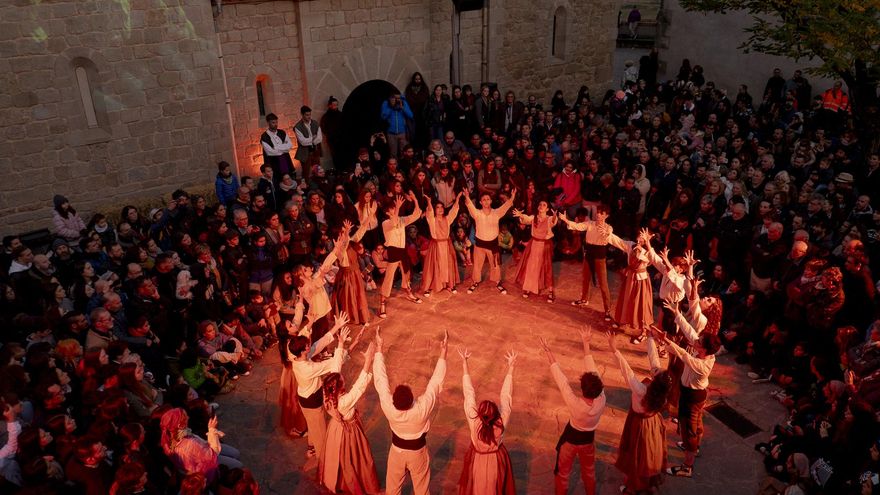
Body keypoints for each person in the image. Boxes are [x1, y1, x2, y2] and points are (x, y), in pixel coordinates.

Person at [653, 295, 722, 479]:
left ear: (703, 349)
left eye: (699, 343)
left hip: (692, 397)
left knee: (689, 429)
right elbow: (690, 332)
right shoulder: (704, 352)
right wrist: (677, 313)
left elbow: (683, 354)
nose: (696, 340)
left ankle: (687, 466)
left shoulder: (702, 365)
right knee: (696, 424)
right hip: (695, 395)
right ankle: (694, 447)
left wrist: (665, 340)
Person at [372, 328, 447, 495]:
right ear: (412, 398)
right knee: (421, 488)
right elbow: (435, 383)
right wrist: (443, 352)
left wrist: (379, 348)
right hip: (417, 453)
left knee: (392, 489)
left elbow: (380, 379)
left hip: (397, 452)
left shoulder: (389, 407)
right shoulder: (421, 408)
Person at [540, 327, 606, 495]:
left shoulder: (575, 404)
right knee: (589, 472)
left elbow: (560, 379)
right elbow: (593, 370)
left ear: (582, 388)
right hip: (588, 441)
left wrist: (548, 352)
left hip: (570, 441)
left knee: (563, 474)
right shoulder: (602, 399)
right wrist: (586, 343)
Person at [607, 331, 672, 494]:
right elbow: (654, 359)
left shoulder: (641, 390)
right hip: (653, 425)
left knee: (637, 457)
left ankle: (634, 487)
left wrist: (614, 349)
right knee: (650, 455)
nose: (654, 369)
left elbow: (626, 371)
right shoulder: (661, 393)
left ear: (655, 380)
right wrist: (650, 338)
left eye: (655, 372)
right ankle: (646, 482)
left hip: (639, 425)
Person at [290, 317, 352, 468]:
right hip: (311, 401)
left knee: (313, 426)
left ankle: (312, 448)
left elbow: (320, 344)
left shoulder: (296, 357)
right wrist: (342, 345)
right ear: (303, 350)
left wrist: (336, 326)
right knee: (320, 433)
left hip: (306, 398)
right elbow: (331, 364)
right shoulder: (307, 369)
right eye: (307, 346)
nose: (309, 346)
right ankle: (323, 462)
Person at [321, 341, 381, 494]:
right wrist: (368, 360)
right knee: (356, 458)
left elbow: (335, 369)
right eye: (342, 380)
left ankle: (337, 480)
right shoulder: (343, 402)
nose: (344, 377)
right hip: (349, 431)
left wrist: (340, 344)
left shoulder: (328, 393)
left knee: (336, 456)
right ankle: (357, 484)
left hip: (335, 429)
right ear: (340, 386)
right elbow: (359, 387)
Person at [457, 347, 517, 494]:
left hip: (477, 460)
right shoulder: (501, 422)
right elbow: (506, 397)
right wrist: (511, 369)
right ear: (495, 414)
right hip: (496, 463)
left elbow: (469, 394)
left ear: (480, 414)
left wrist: (464, 365)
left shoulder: (474, 422)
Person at [558, 205, 621, 321]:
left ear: (606, 216)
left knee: (603, 284)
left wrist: (605, 233)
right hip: (589, 255)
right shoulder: (589, 224)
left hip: (600, 257)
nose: (598, 214)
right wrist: (565, 219)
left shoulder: (608, 228)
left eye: (602, 213)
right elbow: (577, 226)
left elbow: (608, 236)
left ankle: (607, 310)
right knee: (585, 278)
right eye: (598, 212)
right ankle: (584, 298)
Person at [464, 189, 517, 295]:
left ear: (491, 201)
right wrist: (467, 196)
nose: (486, 201)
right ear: (480, 202)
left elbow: (506, 206)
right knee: (477, 265)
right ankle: (475, 281)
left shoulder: (496, 213)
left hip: (493, 244)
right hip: (480, 244)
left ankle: (497, 282)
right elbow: (470, 206)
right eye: (484, 199)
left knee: (495, 265)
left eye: (488, 199)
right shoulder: (477, 214)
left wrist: (512, 197)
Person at [379, 191, 423, 318]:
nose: (394, 210)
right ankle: (382, 302)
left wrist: (415, 199)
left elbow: (416, 214)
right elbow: (393, 223)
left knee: (406, 274)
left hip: (402, 251)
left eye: (395, 208)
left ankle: (408, 292)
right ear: (387, 212)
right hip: (393, 252)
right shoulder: (385, 223)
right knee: (389, 278)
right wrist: (398, 207)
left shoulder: (402, 220)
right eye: (392, 209)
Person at [615, 228, 656, 344]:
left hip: (641, 280)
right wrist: (608, 234)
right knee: (627, 299)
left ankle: (644, 332)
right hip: (631, 277)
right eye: (640, 235)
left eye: (644, 236)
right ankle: (624, 322)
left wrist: (641, 250)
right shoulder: (631, 245)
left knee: (642, 305)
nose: (641, 237)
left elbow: (650, 260)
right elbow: (617, 241)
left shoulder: (650, 251)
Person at [512, 201, 558, 301]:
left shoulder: (549, 218)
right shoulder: (534, 218)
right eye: (540, 204)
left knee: (546, 267)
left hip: (545, 245)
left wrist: (554, 216)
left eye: (544, 205)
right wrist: (521, 215)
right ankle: (528, 287)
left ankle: (550, 290)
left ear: (547, 209)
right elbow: (525, 219)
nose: (541, 206)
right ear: (538, 207)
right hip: (533, 244)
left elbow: (553, 222)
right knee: (531, 266)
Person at [421, 192, 462, 297]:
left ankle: (449, 285)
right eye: (437, 207)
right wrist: (429, 202)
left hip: (447, 245)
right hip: (436, 245)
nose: (440, 209)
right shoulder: (432, 220)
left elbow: (454, 211)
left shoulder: (447, 219)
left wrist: (457, 199)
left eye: (442, 207)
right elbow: (429, 212)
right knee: (435, 266)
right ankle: (431, 286)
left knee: (448, 264)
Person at [331, 219, 372, 325]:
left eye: (346, 232)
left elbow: (360, 233)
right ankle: (348, 322)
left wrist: (368, 218)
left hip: (356, 273)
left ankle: (362, 318)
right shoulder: (339, 248)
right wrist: (346, 233)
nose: (346, 234)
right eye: (343, 232)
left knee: (359, 295)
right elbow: (344, 247)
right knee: (348, 299)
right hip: (347, 276)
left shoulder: (351, 243)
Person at [260, 113, 294, 179]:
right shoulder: (264, 136)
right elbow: (270, 152)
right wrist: (284, 148)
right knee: (277, 179)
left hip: (285, 159)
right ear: (268, 123)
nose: (275, 124)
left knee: (287, 178)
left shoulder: (282, 132)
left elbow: (289, 146)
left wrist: (276, 147)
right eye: (273, 122)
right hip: (273, 162)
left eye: (276, 122)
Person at [294, 105, 323, 182]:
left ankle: (319, 184)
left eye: (310, 114)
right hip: (304, 152)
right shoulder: (298, 127)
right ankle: (307, 187)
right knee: (306, 172)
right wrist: (313, 138)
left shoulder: (315, 123)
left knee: (317, 169)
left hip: (315, 150)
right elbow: (302, 142)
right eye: (307, 115)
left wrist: (310, 140)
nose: (309, 117)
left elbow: (319, 138)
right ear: (302, 114)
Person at [381, 91, 414, 158]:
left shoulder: (403, 102)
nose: (395, 100)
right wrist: (391, 107)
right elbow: (383, 117)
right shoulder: (386, 103)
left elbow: (411, 115)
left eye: (397, 97)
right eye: (394, 98)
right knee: (393, 153)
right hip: (391, 133)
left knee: (404, 152)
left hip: (402, 133)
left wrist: (402, 108)